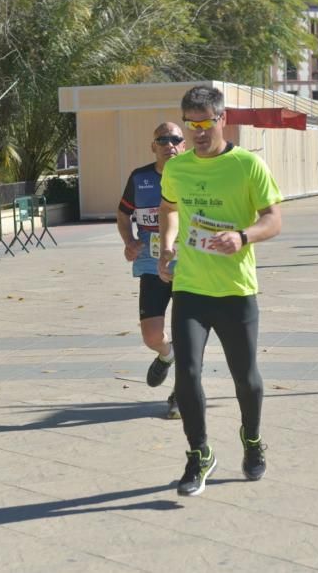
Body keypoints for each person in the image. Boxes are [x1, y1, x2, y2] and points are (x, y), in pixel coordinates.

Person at [157, 85, 282, 497]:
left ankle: (252, 439)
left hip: (235, 291)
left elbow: (273, 219)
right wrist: (167, 244)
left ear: (221, 119)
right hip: (191, 288)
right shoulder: (177, 168)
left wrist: (244, 236)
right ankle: (199, 454)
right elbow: (170, 207)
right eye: (190, 125)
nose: (197, 132)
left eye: (205, 123)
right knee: (187, 373)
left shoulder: (247, 166)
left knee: (245, 378)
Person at [116, 122, 185, 419]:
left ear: (184, 144)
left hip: (189, 265)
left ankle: (180, 395)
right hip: (150, 263)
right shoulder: (140, 177)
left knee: (188, 334)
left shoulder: (194, 176)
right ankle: (167, 356)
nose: (169, 144)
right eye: (162, 139)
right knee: (151, 335)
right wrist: (129, 241)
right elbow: (123, 213)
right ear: (153, 146)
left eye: (175, 139)